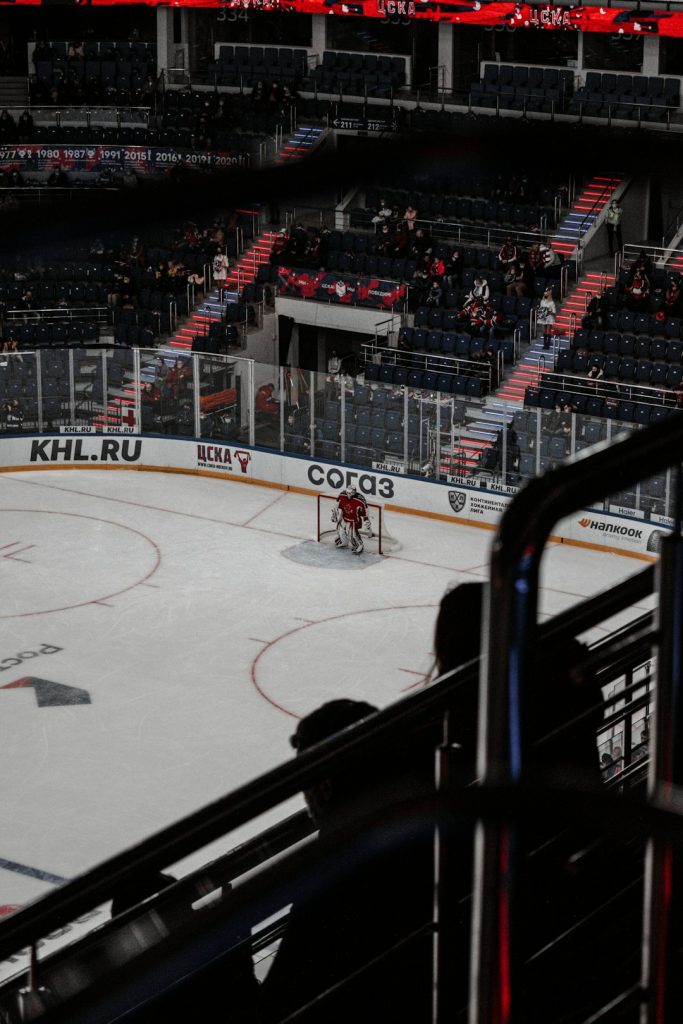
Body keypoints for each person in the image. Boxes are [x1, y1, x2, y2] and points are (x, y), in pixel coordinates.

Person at [261, 698, 436, 1024]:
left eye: (307, 782)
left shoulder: (335, 868)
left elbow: (280, 1000)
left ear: (327, 785)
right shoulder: (429, 817)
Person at [333, 485, 371, 555]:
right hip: (344, 517)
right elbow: (336, 504)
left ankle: (359, 545)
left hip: (354, 520)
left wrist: (366, 521)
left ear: (354, 492)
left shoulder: (360, 499)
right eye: (347, 492)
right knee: (340, 530)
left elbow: (365, 511)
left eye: (351, 493)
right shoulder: (342, 495)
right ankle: (344, 541)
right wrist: (334, 514)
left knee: (352, 534)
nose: (349, 494)